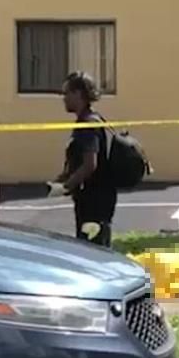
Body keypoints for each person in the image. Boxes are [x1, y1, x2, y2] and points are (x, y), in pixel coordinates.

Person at [47, 71, 117, 248]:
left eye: (66, 93)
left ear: (78, 94)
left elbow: (89, 164)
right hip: (93, 198)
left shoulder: (88, 124)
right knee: (90, 246)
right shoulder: (90, 119)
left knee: (93, 249)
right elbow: (78, 159)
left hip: (95, 201)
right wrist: (61, 179)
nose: (63, 98)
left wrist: (66, 186)